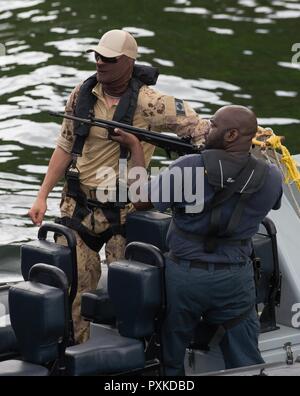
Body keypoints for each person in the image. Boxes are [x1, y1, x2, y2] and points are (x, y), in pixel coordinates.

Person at [28, 29, 210, 343]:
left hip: (124, 211)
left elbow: (199, 129)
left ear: (128, 62)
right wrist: (41, 195)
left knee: (132, 292)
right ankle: (76, 353)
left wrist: (236, 146)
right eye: (97, 56)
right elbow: (64, 145)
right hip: (78, 205)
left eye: (108, 59)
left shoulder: (151, 104)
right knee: (71, 288)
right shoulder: (82, 94)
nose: (100, 63)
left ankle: (136, 355)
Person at [111, 105, 283, 375]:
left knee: (172, 351)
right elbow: (271, 204)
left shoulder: (187, 166)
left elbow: (140, 200)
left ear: (231, 134)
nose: (206, 128)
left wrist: (135, 147)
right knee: (246, 357)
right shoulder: (271, 175)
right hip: (236, 278)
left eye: (213, 125)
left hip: (185, 277)